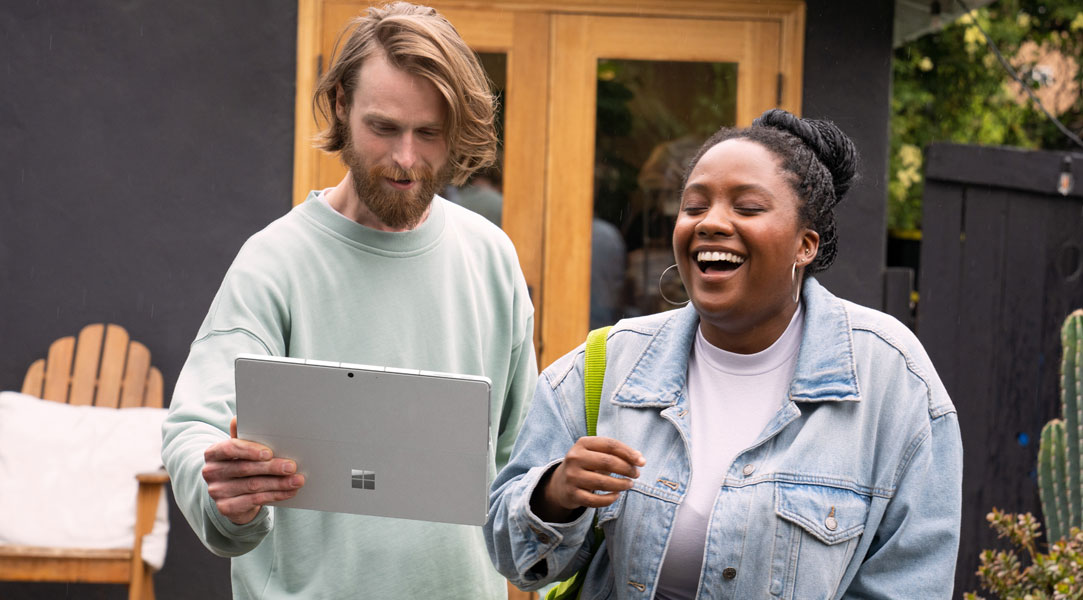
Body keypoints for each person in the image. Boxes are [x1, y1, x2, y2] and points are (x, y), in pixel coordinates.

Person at [485, 109, 962, 599]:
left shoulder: (894, 381)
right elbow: (514, 558)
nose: (711, 223)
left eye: (748, 208)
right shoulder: (602, 368)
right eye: (694, 207)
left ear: (805, 245)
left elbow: (911, 582)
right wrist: (555, 496)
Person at [161, 3, 537, 598]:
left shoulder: (492, 258)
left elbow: (520, 458)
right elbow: (193, 428)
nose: (407, 159)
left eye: (430, 133)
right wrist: (223, 493)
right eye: (384, 128)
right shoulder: (274, 261)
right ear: (340, 104)